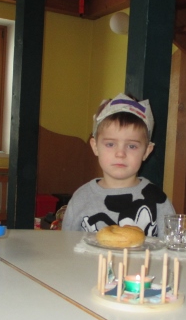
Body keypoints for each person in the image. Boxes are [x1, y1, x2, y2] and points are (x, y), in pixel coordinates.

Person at [62, 93, 175, 237]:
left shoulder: (158, 201)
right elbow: (65, 247)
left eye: (132, 146)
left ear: (146, 151)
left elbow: (171, 251)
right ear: (95, 146)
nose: (120, 154)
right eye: (110, 144)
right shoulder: (80, 199)